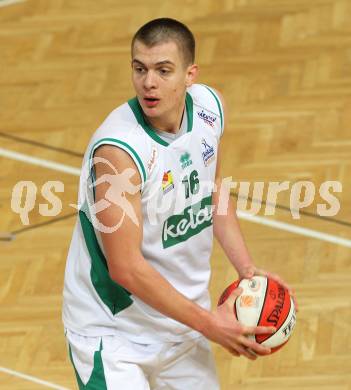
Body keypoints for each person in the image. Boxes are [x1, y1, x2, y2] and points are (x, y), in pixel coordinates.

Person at [62, 17, 297, 389]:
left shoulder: (209, 109)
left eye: (163, 70)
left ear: (190, 75)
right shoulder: (118, 150)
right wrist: (210, 323)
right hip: (114, 334)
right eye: (139, 69)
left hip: (181, 322)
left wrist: (248, 272)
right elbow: (125, 268)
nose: (148, 82)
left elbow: (213, 190)